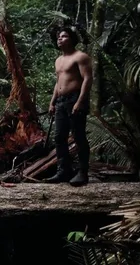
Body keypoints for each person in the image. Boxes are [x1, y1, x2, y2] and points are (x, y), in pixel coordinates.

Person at [45, 26, 93, 186]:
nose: (60, 38)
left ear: (72, 39)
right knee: (59, 137)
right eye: (59, 36)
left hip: (74, 99)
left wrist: (80, 101)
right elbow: (58, 82)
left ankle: (83, 173)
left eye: (64, 36)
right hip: (61, 101)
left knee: (79, 136)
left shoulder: (80, 57)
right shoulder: (58, 60)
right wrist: (52, 102)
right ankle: (63, 171)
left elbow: (87, 79)